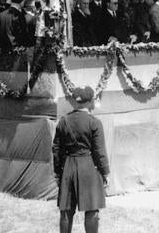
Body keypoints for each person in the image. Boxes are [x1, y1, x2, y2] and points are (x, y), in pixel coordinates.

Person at [53, 86, 109, 233]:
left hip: (68, 167)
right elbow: (99, 152)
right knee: (92, 210)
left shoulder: (63, 121)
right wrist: (105, 173)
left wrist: (58, 173)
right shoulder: (94, 122)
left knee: (66, 210)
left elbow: (57, 150)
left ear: (75, 102)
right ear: (90, 102)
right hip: (89, 167)